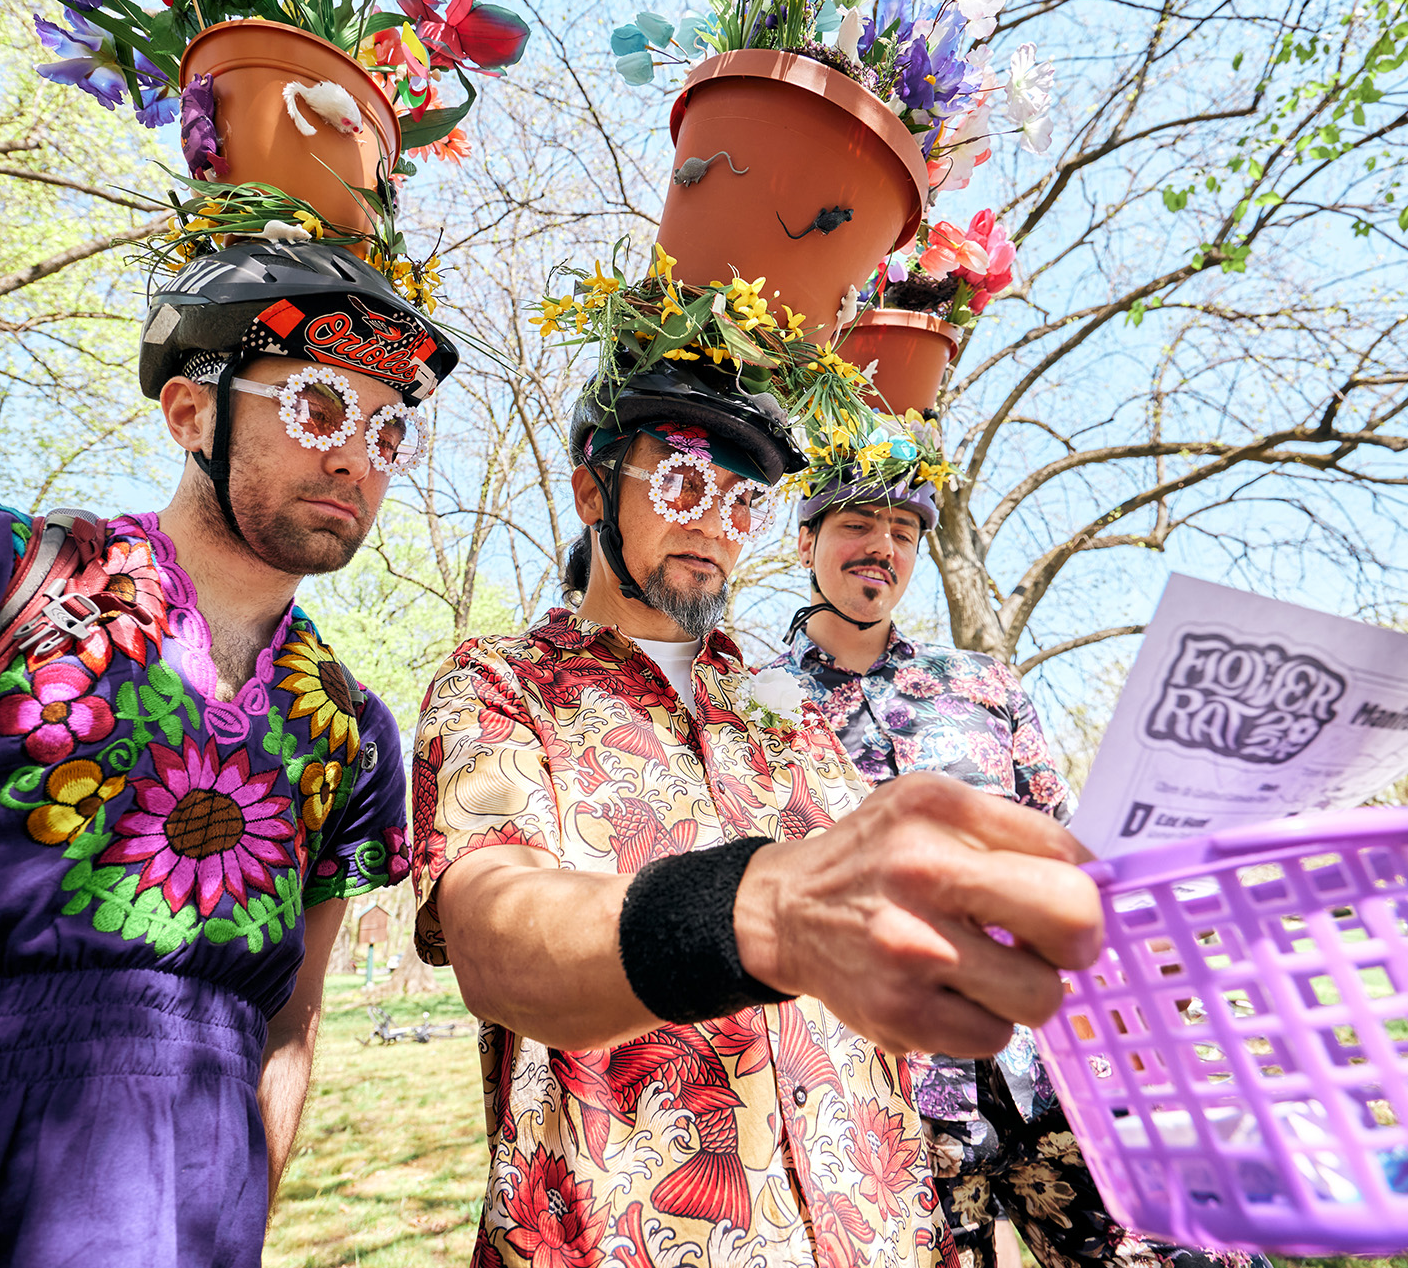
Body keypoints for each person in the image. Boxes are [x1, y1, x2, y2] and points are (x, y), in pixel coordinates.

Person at [0, 241, 454, 1266]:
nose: (355, 459)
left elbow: (288, 1030)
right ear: (190, 413)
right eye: (318, 408)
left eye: (387, 430)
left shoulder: (353, 734)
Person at [411, 361, 1104, 1267]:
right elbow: (496, 942)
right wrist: (763, 912)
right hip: (631, 1235)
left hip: (876, 1230)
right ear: (591, 491)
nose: (715, 524)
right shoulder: (500, 683)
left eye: (743, 502)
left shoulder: (785, 707)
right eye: (684, 483)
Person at [770, 458, 1267, 1268]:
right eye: (857, 524)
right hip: (883, 1099)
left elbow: (1066, 846)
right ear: (805, 543)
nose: (882, 546)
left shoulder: (983, 683)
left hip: (1063, 1061)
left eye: (904, 532)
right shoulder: (753, 708)